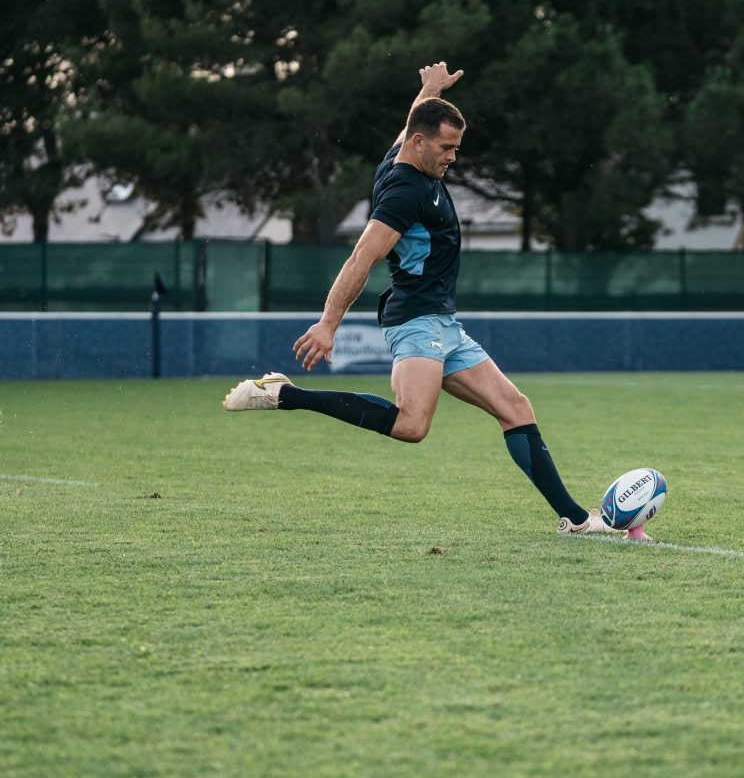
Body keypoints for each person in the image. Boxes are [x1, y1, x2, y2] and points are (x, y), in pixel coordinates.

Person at [223, 62, 648, 539]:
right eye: (447, 147)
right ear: (421, 143)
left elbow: (410, 125)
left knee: (516, 408)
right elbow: (362, 257)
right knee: (411, 425)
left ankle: (573, 519)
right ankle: (285, 394)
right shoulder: (404, 193)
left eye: (456, 148)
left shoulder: (398, 160)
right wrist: (327, 323)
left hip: (443, 323)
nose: (453, 157)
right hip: (416, 320)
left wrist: (427, 91)